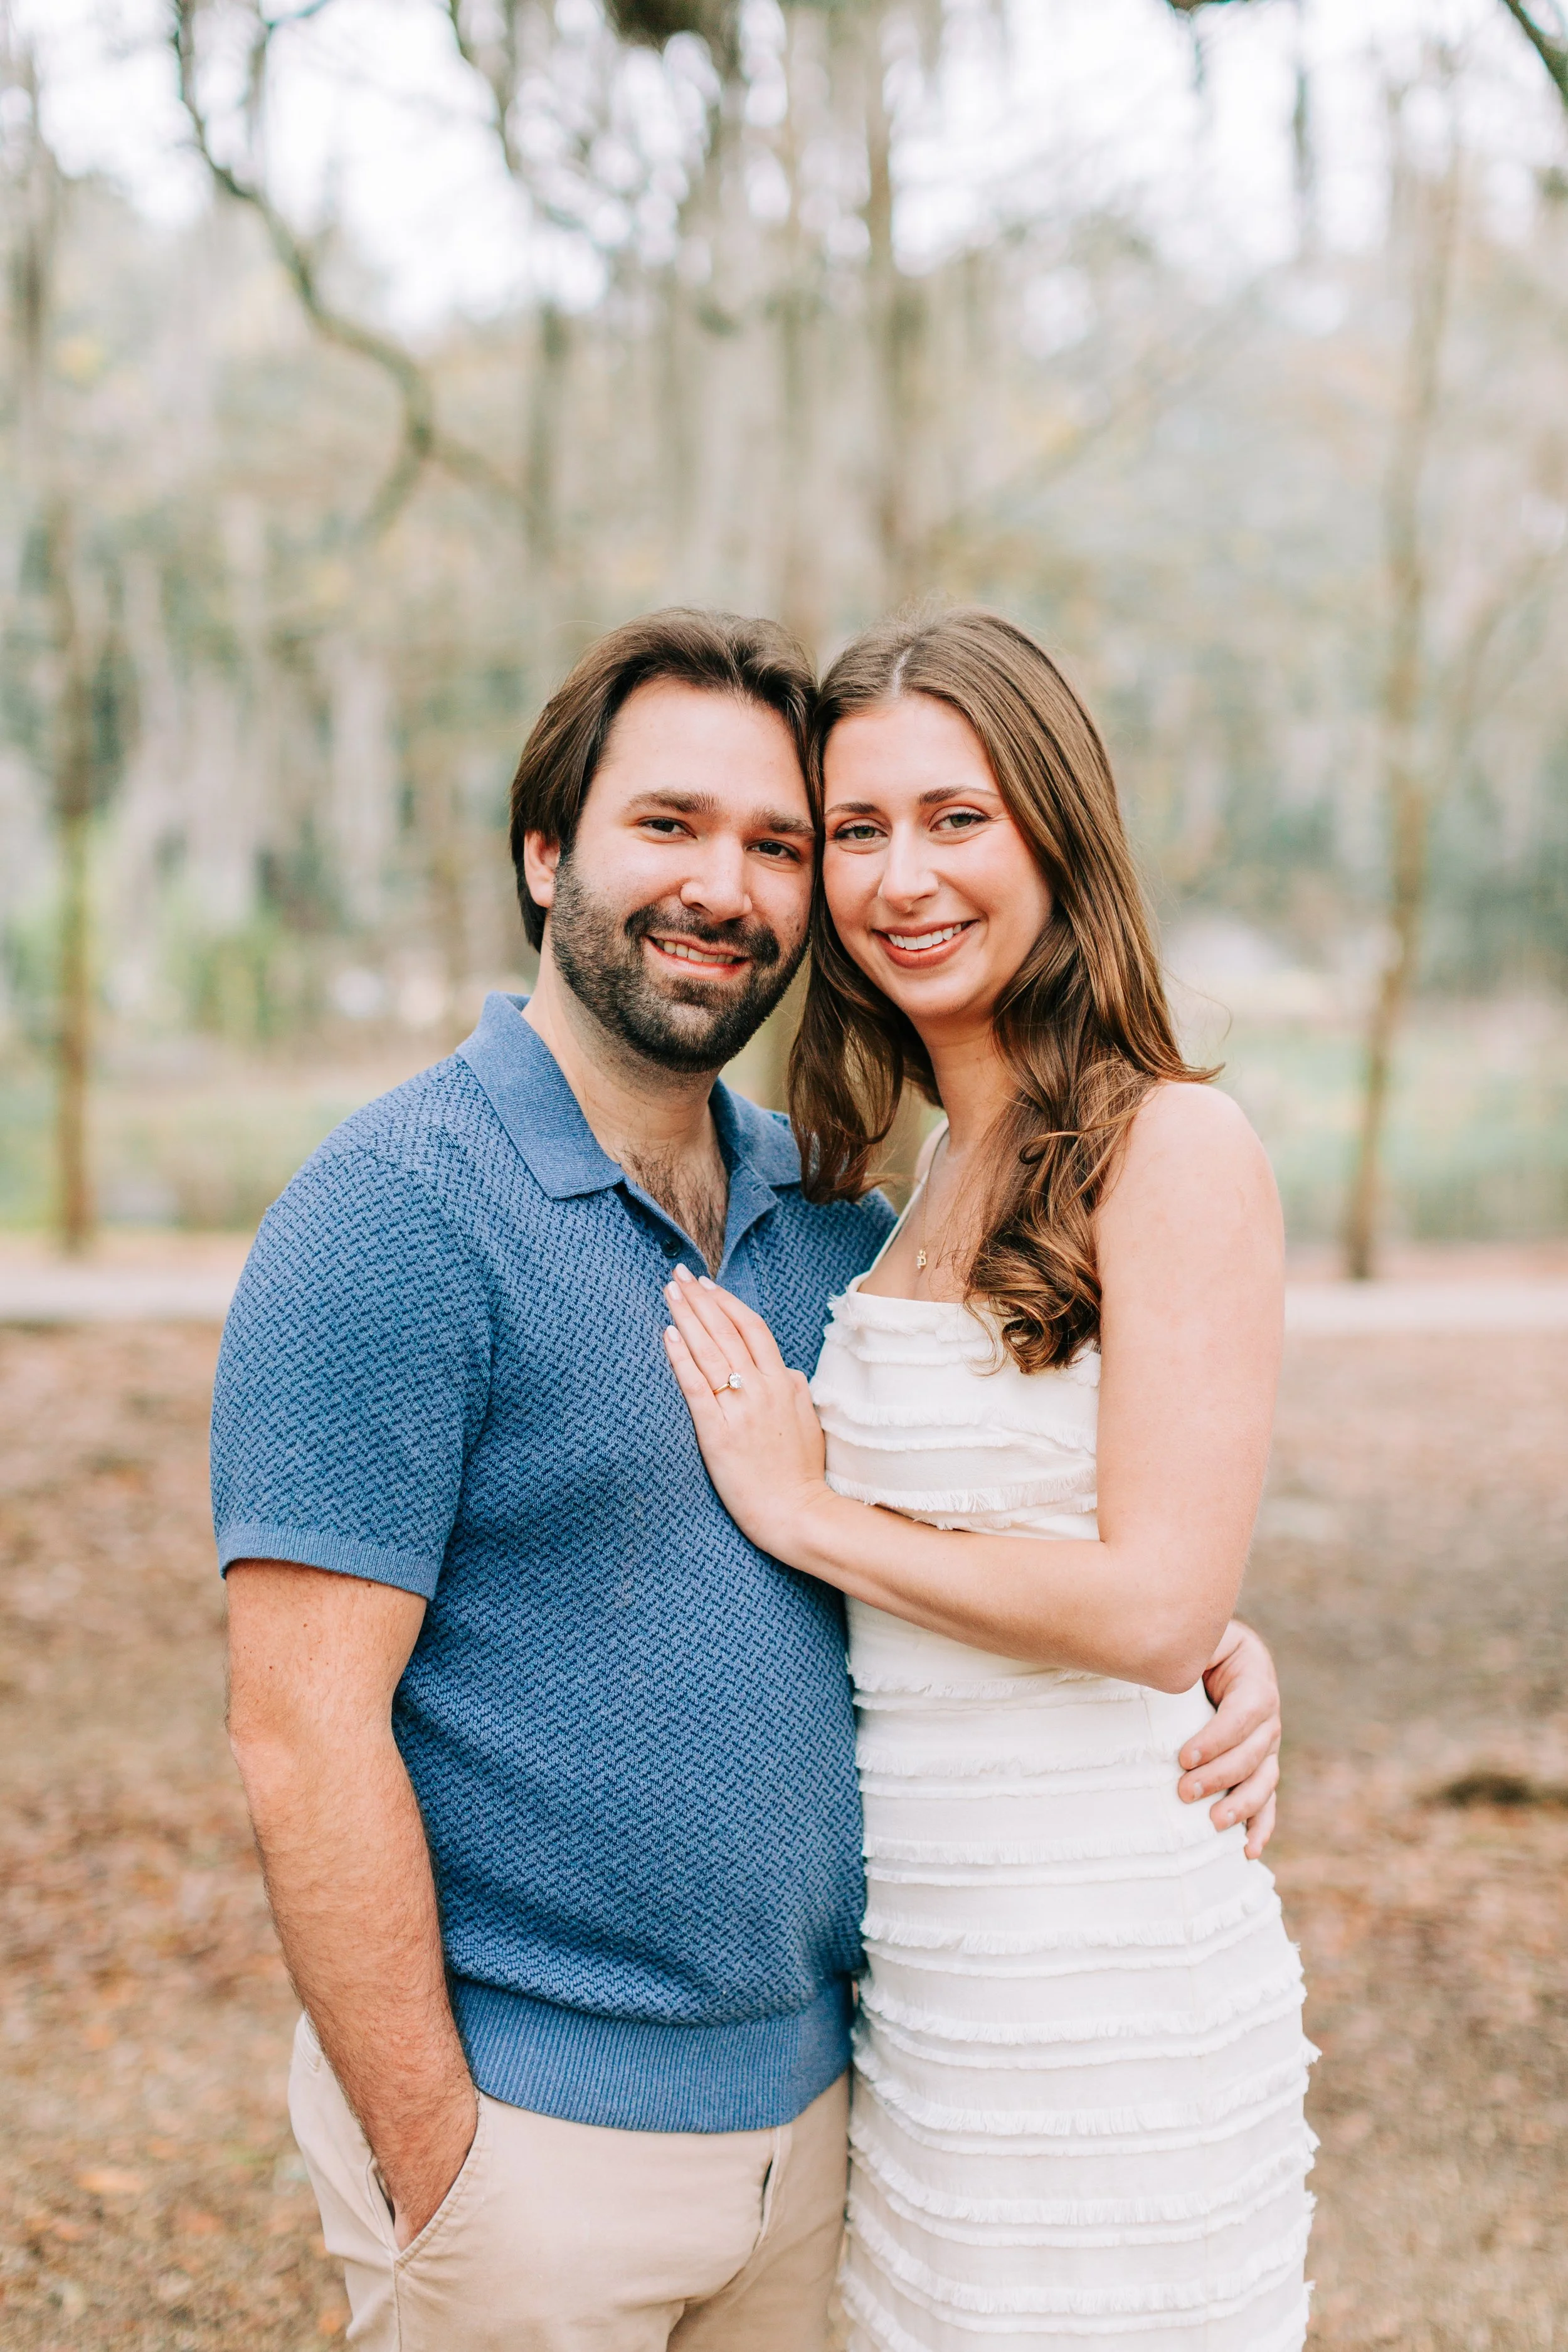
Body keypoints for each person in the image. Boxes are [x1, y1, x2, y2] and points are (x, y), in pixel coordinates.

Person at [211, 607, 1285, 2352]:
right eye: (669, 825)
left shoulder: (840, 1218)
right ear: (543, 850)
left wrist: (1211, 1640)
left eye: (781, 840)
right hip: (537, 2142)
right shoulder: (396, 1207)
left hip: (848, 2105)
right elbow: (297, 1730)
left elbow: (1026, 1522)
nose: (732, 883)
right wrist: (440, 2161)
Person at [662, 608, 1315, 2352]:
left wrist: (808, 1512)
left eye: (954, 817)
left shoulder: (1171, 1144)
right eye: (855, 829)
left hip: (1101, 1961)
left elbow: (1152, 1599)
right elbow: (1070, 1530)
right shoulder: (923, 1173)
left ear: (1053, 828)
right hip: (933, 1966)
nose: (900, 877)